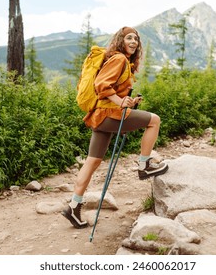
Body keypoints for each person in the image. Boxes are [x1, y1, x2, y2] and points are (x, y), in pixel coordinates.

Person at [61, 26, 168, 229]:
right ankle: (144, 166)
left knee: (92, 162)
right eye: (129, 38)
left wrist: (129, 101)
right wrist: (120, 103)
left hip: (100, 116)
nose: (134, 42)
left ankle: (73, 207)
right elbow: (101, 85)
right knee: (154, 120)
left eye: (136, 39)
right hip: (109, 115)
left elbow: (108, 89)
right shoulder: (118, 59)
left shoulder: (121, 60)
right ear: (121, 40)